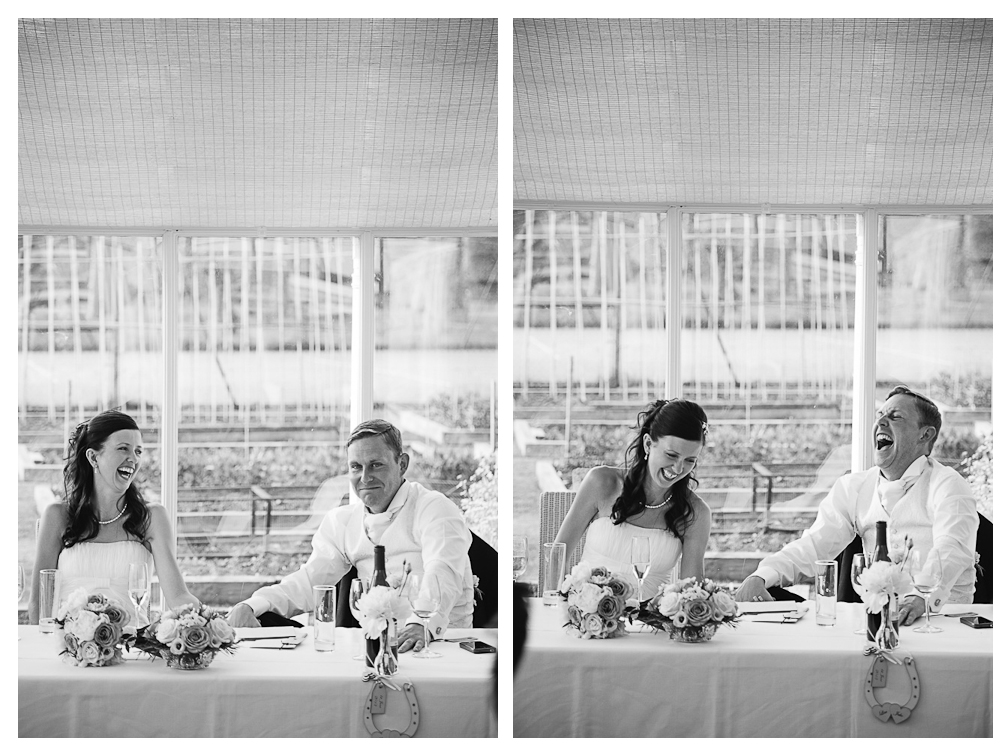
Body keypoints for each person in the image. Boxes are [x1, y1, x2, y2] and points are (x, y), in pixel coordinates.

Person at [735, 385, 979, 625]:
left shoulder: (949, 484)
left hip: (944, 622)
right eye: (879, 415)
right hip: (877, 622)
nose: (880, 422)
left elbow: (952, 548)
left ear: (925, 435)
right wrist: (763, 575)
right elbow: (813, 545)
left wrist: (920, 598)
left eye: (895, 417)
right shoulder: (853, 486)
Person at [227, 419, 475, 652]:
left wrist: (420, 624)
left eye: (376, 465)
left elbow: (443, 571)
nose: (365, 477)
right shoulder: (342, 521)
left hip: (443, 646)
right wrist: (253, 604)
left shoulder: (434, 507)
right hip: (376, 647)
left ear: (402, 464)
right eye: (356, 467)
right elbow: (308, 582)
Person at [29, 410, 201, 627]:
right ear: (93, 457)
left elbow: (178, 597)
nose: (134, 459)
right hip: (68, 644)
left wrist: (211, 622)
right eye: (123, 449)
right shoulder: (57, 516)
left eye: (138, 451)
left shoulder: (152, 517)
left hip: (134, 642)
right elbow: (38, 604)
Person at [553, 398, 712, 602]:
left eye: (690, 460)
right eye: (671, 455)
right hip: (588, 616)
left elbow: (691, 594)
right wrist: (563, 607)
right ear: (648, 444)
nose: (679, 469)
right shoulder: (602, 483)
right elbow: (558, 557)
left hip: (653, 621)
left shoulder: (696, 513)